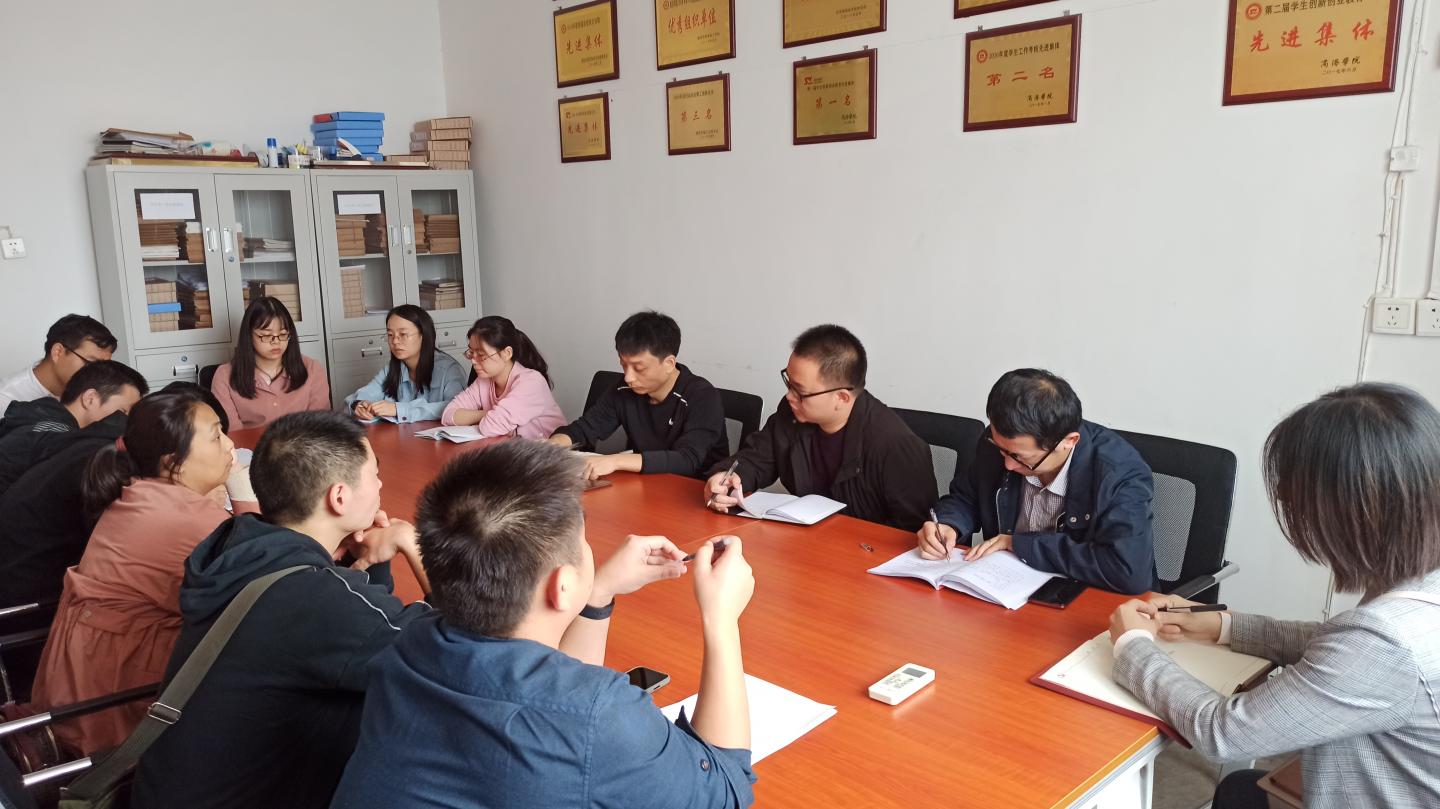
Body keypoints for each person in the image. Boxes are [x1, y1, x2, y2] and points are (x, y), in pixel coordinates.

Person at [329, 440, 757, 809]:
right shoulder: (600, 717)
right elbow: (725, 790)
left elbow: (546, 689)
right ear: (561, 586)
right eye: (582, 543)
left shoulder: (407, 645)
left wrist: (597, 593)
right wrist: (721, 619)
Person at [1108, 383, 1440, 809]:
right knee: (1240, 790)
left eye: (1297, 501)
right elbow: (1342, 649)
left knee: (1237, 791)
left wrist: (1132, 646)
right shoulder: (1417, 584)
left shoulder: (1386, 643)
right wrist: (1225, 626)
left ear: (1348, 509)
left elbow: (1223, 733)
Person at [131, 411, 432, 809]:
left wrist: (360, 558)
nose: (380, 484)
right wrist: (411, 542)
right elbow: (460, 650)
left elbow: (360, 628)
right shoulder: (314, 597)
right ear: (339, 498)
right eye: (374, 474)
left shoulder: (239, 544)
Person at [29, 387, 253, 755]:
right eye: (216, 437)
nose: (230, 446)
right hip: (119, 706)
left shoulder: (141, 494)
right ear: (173, 462)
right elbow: (270, 570)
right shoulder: (186, 517)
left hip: (74, 687)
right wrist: (243, 493)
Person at [918, 369, 1156, 594]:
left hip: (1083, 599)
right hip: (1006, 587)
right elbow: (967, 497)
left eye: (1020, 457)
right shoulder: (1000, 442)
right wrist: (949, 524)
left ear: (1069, 441)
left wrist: (1019, 544)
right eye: (1002, 450)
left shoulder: (1120, 474)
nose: (1008, 465)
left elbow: (1128, 570)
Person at [703, 324, 933, 531]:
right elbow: (756, 460)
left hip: (862, 554)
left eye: (800, 391)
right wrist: (725, 478)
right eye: (788, 383)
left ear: (842, 397)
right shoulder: (792, 414)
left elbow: (914, 533)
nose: (789, 396)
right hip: (806, 543)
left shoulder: (895, 446)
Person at [549, 310, 729, 480]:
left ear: (669, 363)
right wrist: (553, 445)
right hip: (645, 484)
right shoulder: (623, 389)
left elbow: (687, 460)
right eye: (623, 365)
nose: (628, 377)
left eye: (639, 368)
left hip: (695, 490)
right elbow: (585, 428)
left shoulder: (702, 396)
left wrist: (615, 461)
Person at [0, 359, 146, 497]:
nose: (126, 421)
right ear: (90, 398)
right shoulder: (55, 435)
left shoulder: (41, 417)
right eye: (124, 411)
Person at [210, 296, 330, 430]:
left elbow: (319, 426)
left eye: (283, 334)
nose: (276, 341)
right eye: (266, 335)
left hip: (302, 442)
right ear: (249, 336)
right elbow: (232, 433)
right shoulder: (224, 376)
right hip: (250, 444)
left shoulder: (312, 369)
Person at [440, 316, 564, 439]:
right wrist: (487, 414)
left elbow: (490, 427)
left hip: (547, 450)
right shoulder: (483, 381)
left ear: (507, 353)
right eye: (471, 352)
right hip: (512, 448)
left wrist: (481, 417)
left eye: (481, 355)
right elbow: (448, 415)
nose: (473, 361)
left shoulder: (532, 382)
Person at [345, 305, 466, 424]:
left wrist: (398, 409)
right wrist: (359, 405)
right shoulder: (392, 368)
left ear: (423, 335)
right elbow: (366, 393)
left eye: (403, 334)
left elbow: (456, 407)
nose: (395, 341)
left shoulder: (449, 370)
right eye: (390, 335)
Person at [0, 314, 117, 415]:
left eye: (105, 367)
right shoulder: (5, 400)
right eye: (91, 363)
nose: (99, 376)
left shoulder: (93, 395)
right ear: (58, 352)